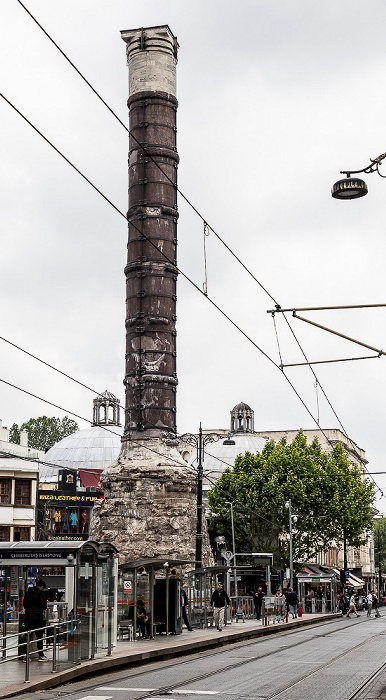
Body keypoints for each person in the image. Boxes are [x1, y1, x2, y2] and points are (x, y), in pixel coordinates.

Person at [23, 579, 48, 661]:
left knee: (27, 636)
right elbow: (44, 606)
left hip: (28, 617)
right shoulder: (40, 593)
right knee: (39, 637)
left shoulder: (28, 593)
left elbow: (24, 605)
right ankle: (41, 655)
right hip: (38, 617)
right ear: (41, 586)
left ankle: (25, 656)